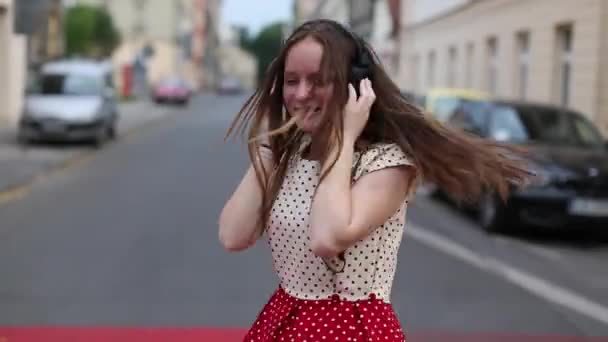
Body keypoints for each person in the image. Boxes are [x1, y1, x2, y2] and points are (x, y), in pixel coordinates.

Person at [218, 19, 531, 342]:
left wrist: (342, 139)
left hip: (352, 329)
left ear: (355, 85)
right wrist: (270, 145)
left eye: (318, 81)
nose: (300, 94)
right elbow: (233, 236)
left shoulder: (387, 163)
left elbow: (327, 238)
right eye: (291, 81)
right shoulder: (290, 154)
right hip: (283, 320)